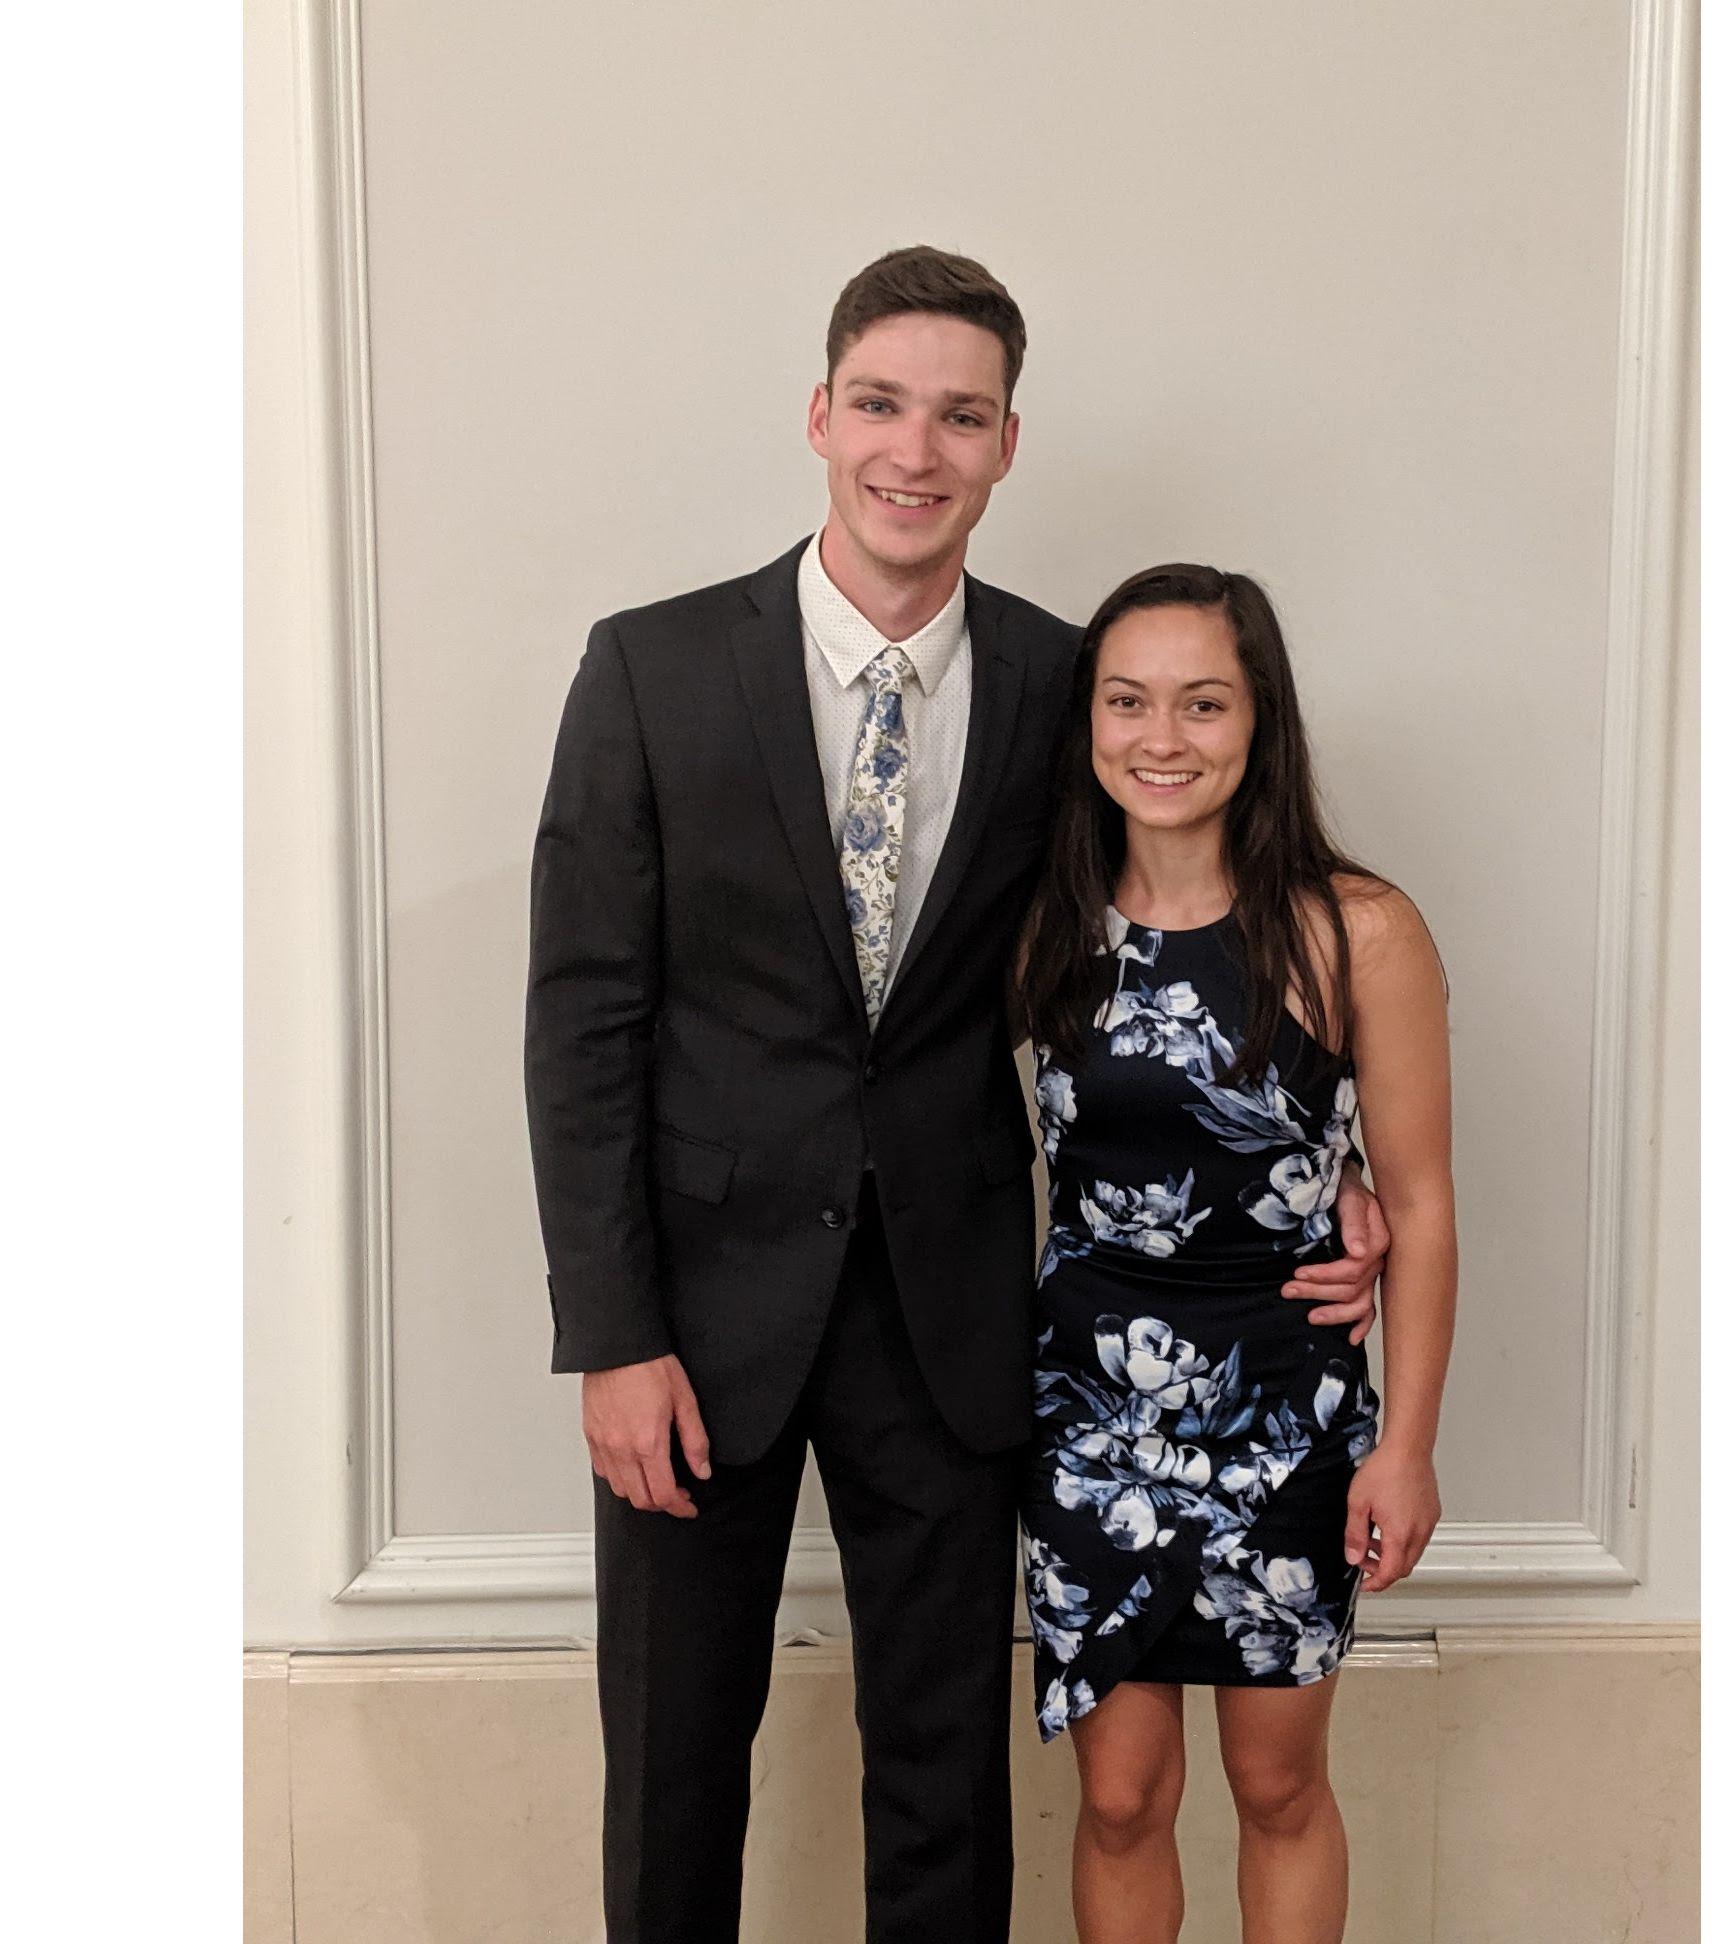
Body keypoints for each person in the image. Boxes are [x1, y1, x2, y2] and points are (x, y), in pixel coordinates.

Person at [524, 247, 1392, 1943]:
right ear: (820, 416)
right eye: (882, 404)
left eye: (961, 415)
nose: (914, 450)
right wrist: (610, 1331)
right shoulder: (650, 669)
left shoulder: (1078, 686)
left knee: (943, 1768)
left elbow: (1195, 925)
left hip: (959, 1308)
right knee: (676, 1756)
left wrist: (1317, 1165)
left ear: (1007, 446)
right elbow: (580, 1021)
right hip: (693, 1320)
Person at [1016, 565, 1456, 1943]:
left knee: (1278, 1785)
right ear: (1087, 720)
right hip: (1089, 1409)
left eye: (1204, 703)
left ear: (1261, 721)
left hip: (1290, 1400)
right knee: (1122, 1799)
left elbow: (1425, 1200)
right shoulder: (1038, 921)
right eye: (1129, 701)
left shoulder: (1357, 930)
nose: (1164, 738)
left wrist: (1407, 1450)